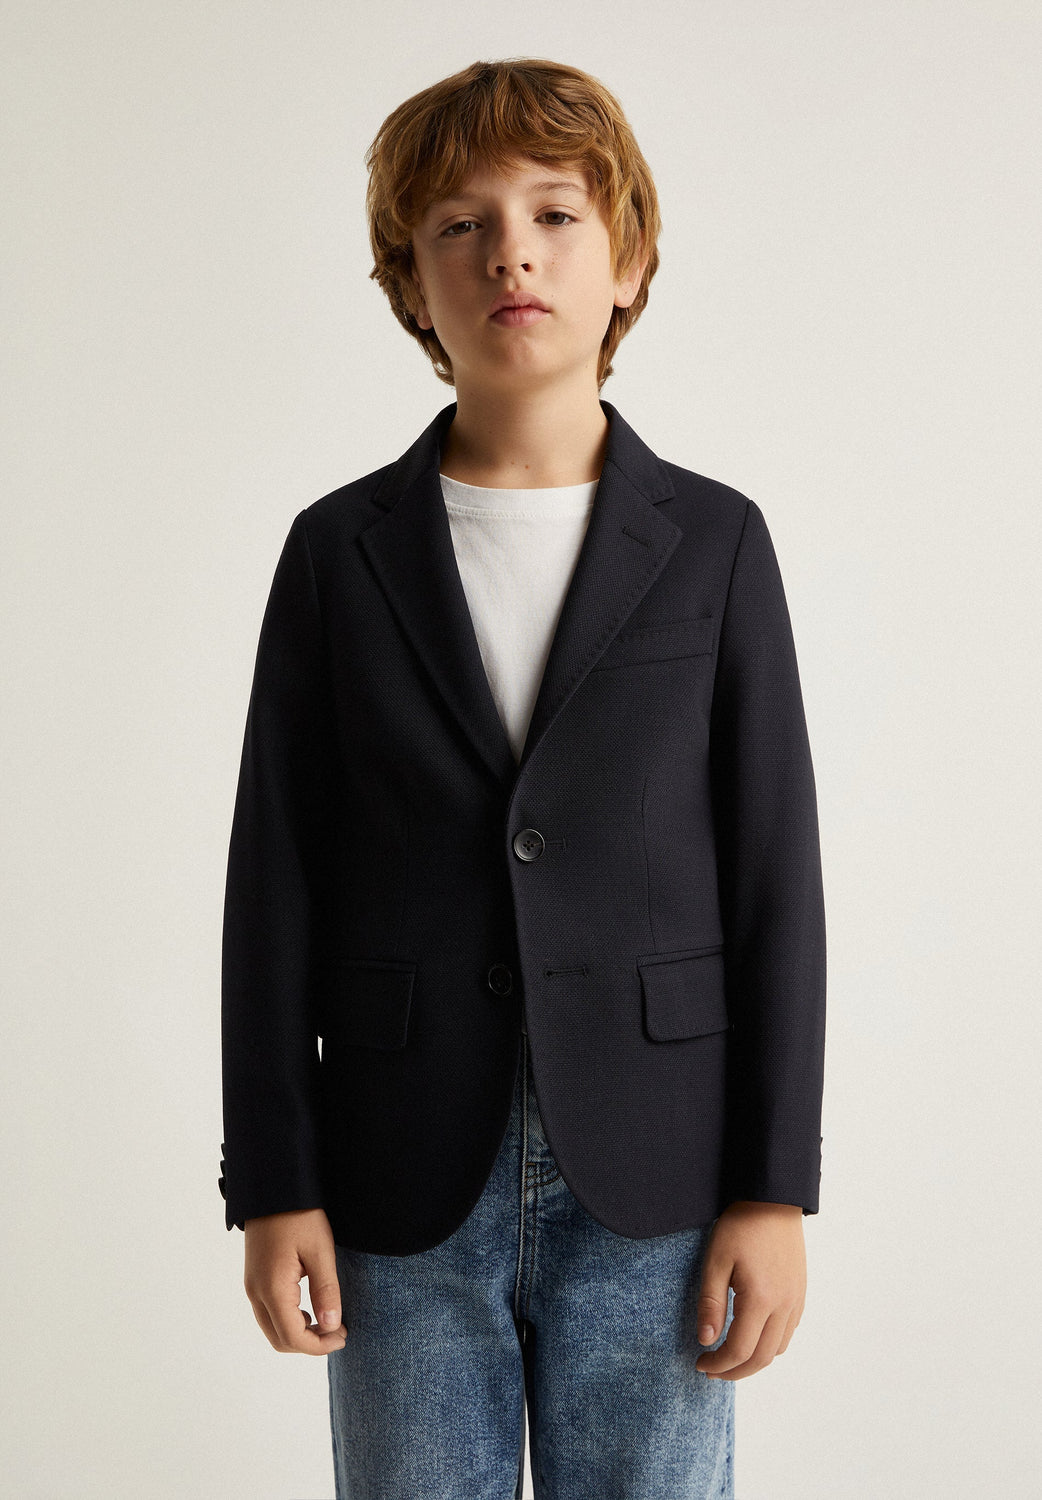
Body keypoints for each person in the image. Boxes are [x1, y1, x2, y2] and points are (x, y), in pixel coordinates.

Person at [219, 57, 827, 1500]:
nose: (511, 253)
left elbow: (774, 877)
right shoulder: (336, 553)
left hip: (660, 1177)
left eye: (556, 215)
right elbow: (274, 882)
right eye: (461, 224)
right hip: (398, 1175)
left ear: (628, 266)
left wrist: (774, 1187)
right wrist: (274, 1181)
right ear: (409, 284)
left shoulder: (714, 543)